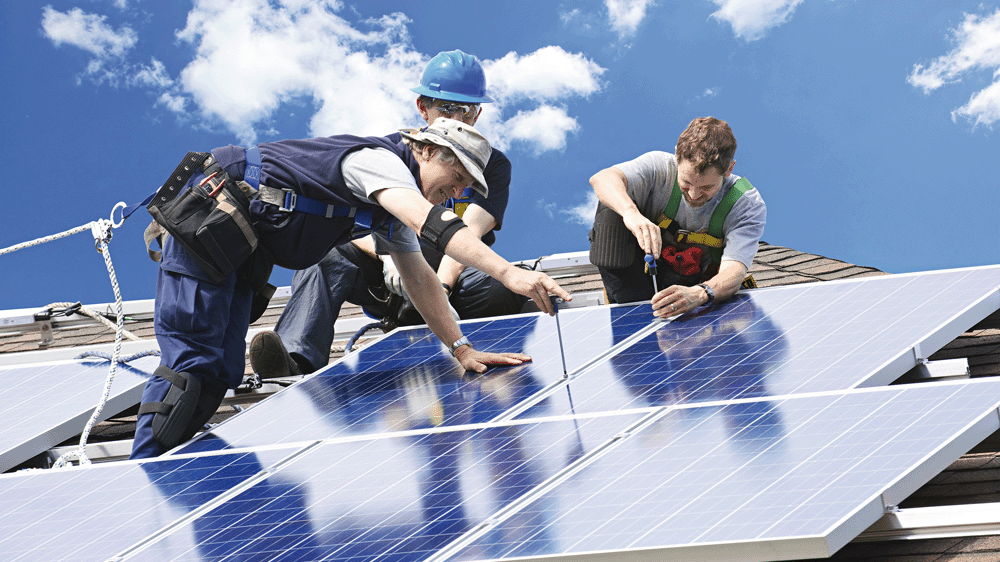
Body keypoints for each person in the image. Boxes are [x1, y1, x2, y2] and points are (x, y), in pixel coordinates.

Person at [132, 117, 570, 459]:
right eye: (456, 179)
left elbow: (418, 276)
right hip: (210, 216)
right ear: (426, 149)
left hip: (240, 247)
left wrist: (461, 349)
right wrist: (509, 274)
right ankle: (143, 478)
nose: (455, 193)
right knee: (192, 365)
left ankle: (169, 478)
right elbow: (429, 222)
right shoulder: (378, 163)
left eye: (464, 189)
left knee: (222, 373)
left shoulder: (389, 210)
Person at [250, 49, 525, 378]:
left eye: (465, 110)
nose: (457, 118)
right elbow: (363, 219)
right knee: (326, 255)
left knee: (500, 285)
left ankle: (479, 346)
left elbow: (469, 231)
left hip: (451, 279)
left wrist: (441, 287)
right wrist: (387, 257)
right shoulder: (391, 155)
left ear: (477, 114)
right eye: (446, 108)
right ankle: (295, 360)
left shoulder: (489, 166)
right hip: (390, 277)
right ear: (423, 109)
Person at [588, 116, 765, 318]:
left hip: (697, 291)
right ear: (676, 157)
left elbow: (734, 270)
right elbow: (602, 178)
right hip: (638, 285)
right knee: (611, 207)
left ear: (729, 169)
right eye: (686, 182)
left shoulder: (745, 203)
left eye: (707, 187)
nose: (694, 195)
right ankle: (633, 312)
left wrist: (701, 293)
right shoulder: (658, 167)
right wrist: (631, 213)